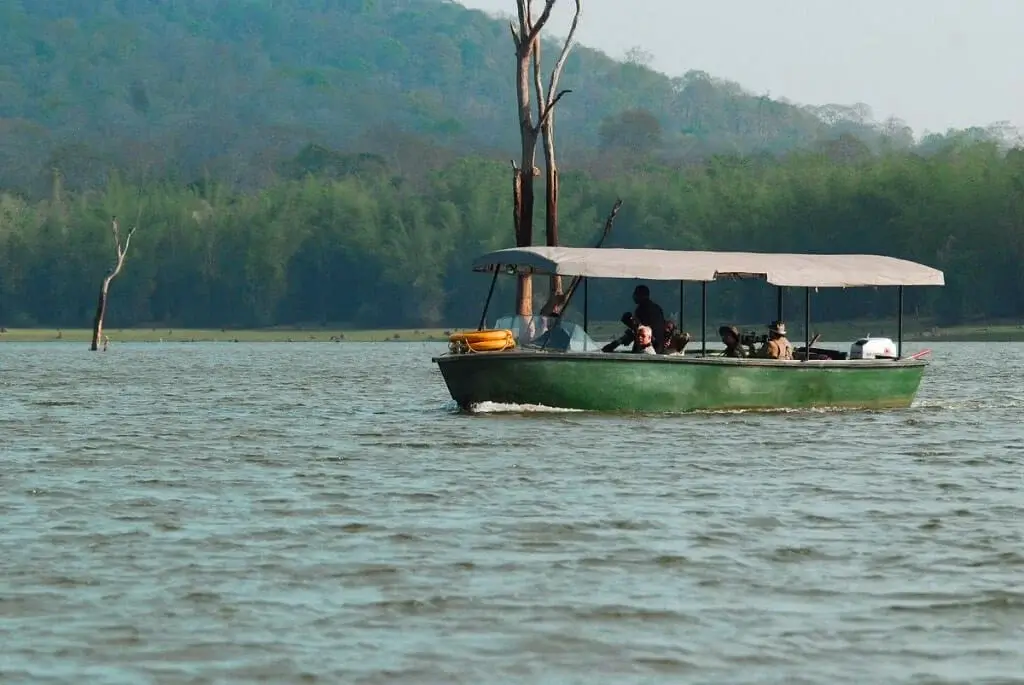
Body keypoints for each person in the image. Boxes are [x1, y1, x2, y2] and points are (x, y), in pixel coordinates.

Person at [632, 284, 667, 353]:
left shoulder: (642, 309)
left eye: (635, 294)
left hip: (649, 345)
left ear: (640, 295)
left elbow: (641, 329)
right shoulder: (657, 308)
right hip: (658, 346)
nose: (633, 296)